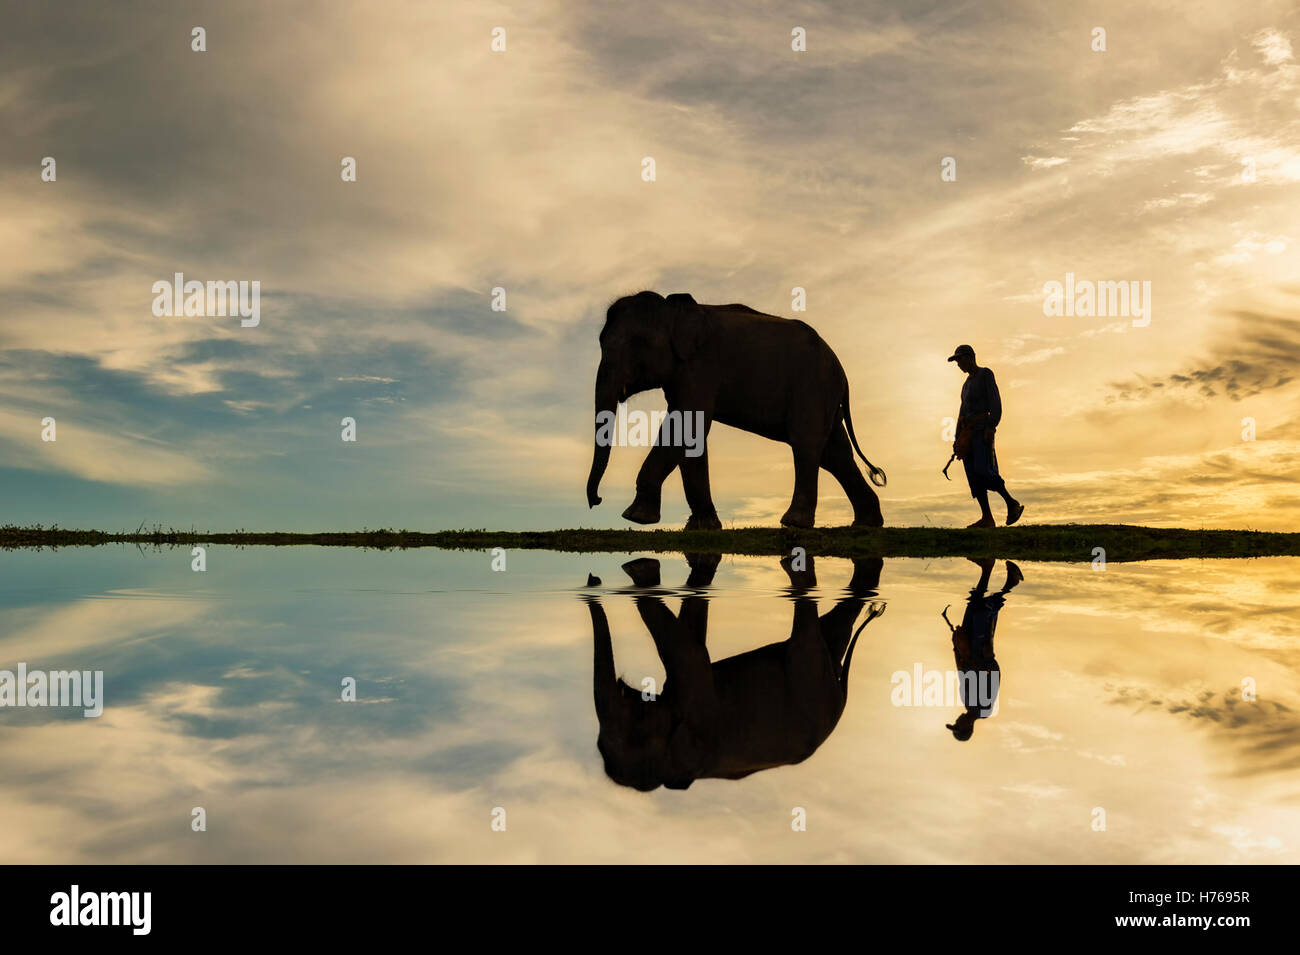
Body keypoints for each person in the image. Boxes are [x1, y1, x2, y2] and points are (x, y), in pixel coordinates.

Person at [942, 558, 1023, 741]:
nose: (957, 720)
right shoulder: (984, 709)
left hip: (968, 648)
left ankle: (987, 568)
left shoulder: (967, 703)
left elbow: (961, 671)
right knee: (983, 613)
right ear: (967, 727)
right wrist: (989, 658)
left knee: (973, 607)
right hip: (980, 649)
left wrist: (956, 645)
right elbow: (995, 677)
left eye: (955, 723)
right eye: (958, 725)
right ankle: (1010, 584)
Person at [948, 344, 1024, 528]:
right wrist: (957, 438)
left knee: (983, 469)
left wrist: (991, 427)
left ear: (970, 357)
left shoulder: (985, 375)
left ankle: (1011, 503)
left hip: (982, 430)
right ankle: (987, 518)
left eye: (960, 360)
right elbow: (961, 412)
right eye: (956, 361)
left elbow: (995, 402)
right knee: (973, 475)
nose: (958, 365)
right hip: (967, 434)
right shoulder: (965, 385)